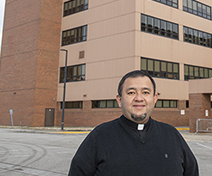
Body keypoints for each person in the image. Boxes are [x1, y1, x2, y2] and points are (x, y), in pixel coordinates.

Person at [68, 70, 199, 176]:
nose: (139, 98)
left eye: (145, 92)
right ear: (119, 100)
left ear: (155, 98)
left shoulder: (172, 135)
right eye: (131, 92)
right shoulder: (99, 137)